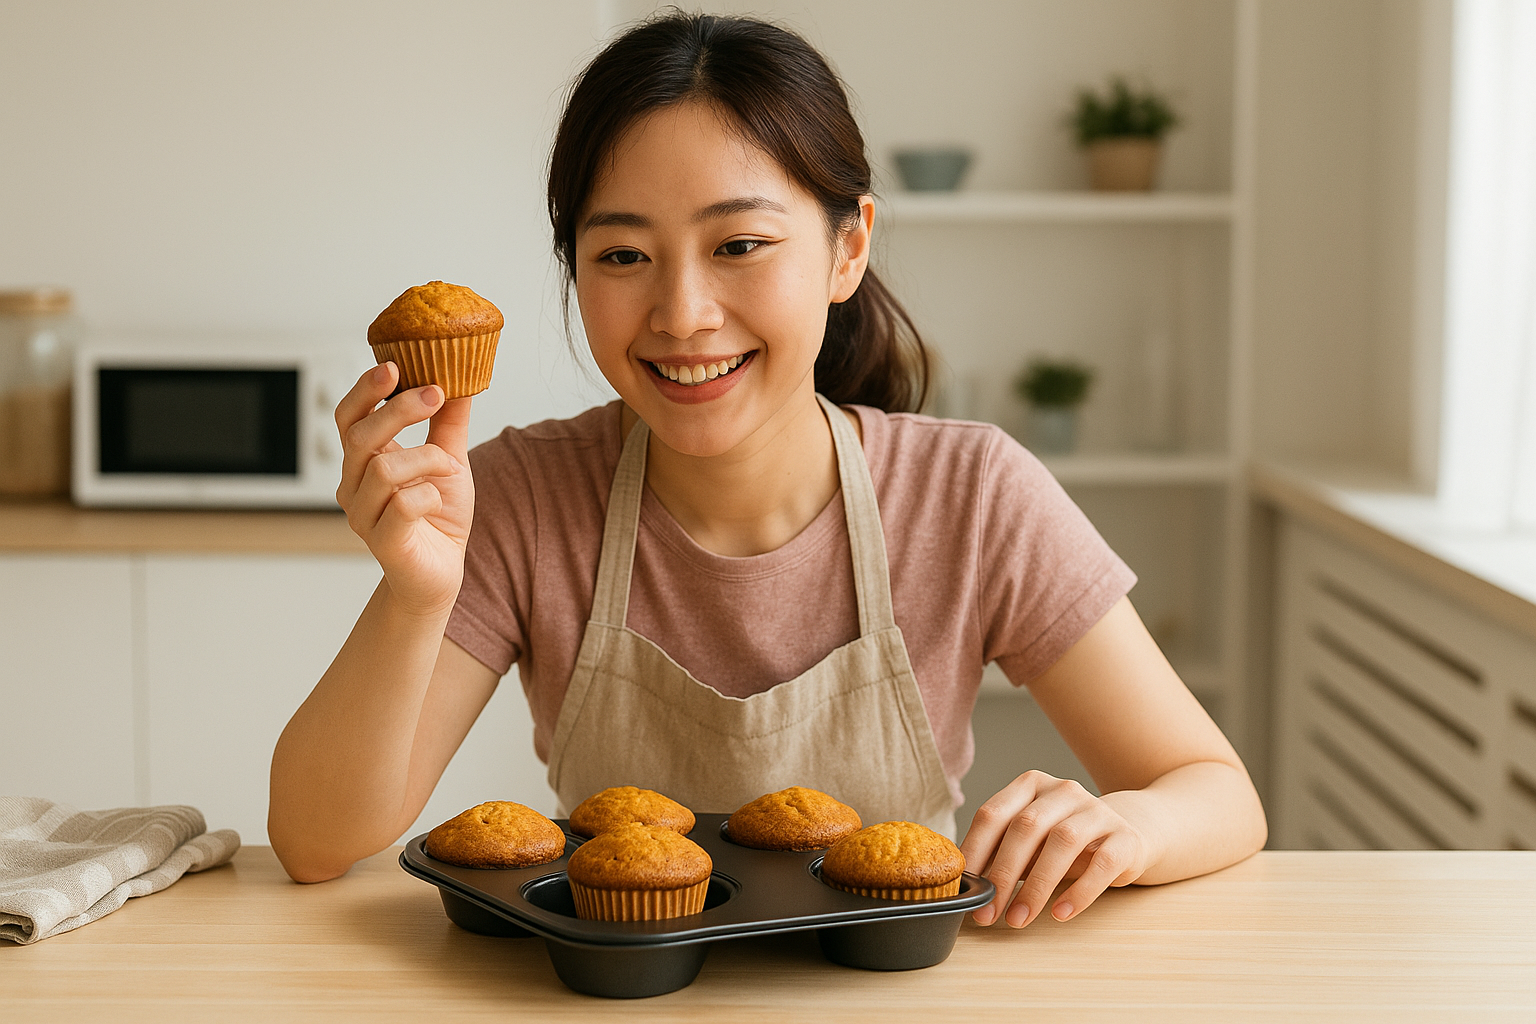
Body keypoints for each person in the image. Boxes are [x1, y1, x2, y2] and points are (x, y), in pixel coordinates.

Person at [269, 12, 1266, 930]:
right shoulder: (521, 496)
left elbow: (1214, 789)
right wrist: (415, 593)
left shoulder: (972, 494)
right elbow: (314, 843)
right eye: (622, 256)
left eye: (739, 243)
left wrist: (1131, 828)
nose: (682, 314)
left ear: (848, 249)